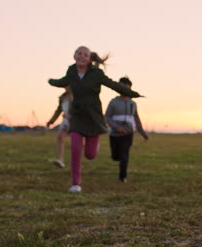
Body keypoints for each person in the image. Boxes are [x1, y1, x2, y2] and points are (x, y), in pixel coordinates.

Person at [48, 46, 142, 193]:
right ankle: (75, 183)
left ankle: (93, 147)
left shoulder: (96, 74)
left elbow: (113, 85)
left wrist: (132, 94)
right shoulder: (71, 71)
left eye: (85, 54)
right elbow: (63, 81)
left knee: (90, 155)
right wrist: (51, 81)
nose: (81, 56)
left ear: (90, 59)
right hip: (77, 117)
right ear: (74, 56)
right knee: (75, 148)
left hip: (94, 118)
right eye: (79, 53)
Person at [105, 77, 148, 183]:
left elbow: (136, 119)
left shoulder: (132, 104)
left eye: (126, 87)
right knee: (116, 156)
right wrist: (117, 127)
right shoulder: (113, 102)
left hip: (128, 134)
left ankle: (122, 177)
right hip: (115, 134)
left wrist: (143, 133)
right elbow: (107, 117)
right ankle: (118, 159)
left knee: (125, 155)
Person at [46, 86, 73, 168]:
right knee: (60, 137)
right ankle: (60, 160)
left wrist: (72, 116)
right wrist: (51, 121)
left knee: (77, 142)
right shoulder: (62, 97)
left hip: (75, 121)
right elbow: (58, 110)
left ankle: (91, 149)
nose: (65, 87)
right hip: (65, 121)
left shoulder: (76, 96)